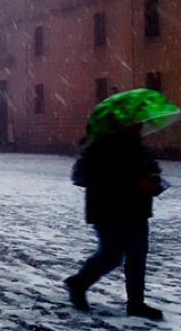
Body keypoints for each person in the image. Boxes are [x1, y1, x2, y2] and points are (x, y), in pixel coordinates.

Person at [64, 123, 167, 320]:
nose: (140, 128)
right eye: (136, 125)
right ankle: (79, 283)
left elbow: (151, 171)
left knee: (137, 255)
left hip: (137, 209)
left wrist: (153, 180)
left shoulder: (141, 148)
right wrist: (135, 183)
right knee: (112, 255)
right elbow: (95, 179)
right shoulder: (101, 148)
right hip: (108, 210)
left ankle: (136, 303)